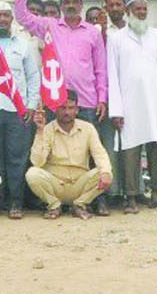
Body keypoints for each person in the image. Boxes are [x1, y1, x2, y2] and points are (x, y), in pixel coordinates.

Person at [13, 0, 111, 210]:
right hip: (54, 100)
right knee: (46, 152)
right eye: (66, 1)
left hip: (86, 101)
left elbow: (101, 68)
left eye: (75, 1)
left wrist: (102, 98)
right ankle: (49, 199)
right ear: (60, 4)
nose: (70, 5)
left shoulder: (93, 32)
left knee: (89, 154)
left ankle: (94, 201)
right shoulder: (49, 26)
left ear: (81, 5)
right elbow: (22, 16)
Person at [107, 0, 157, 212]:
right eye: (137, 9)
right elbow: (113, 74)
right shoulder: (116, 38)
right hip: (129, 103)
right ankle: (131, 197)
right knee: (130, 148)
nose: (141, 12)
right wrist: (116, 110)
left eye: (144, 9)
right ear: (129, 11)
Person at [0, 2, 40, 219]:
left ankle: (16, 203)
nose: (2, 19)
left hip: (17, 111)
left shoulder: (24, 45)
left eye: (6, 15)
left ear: (11, 20)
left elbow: (33, 77)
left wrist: (31, 106)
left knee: (17, 158)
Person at [26, 90, 114, 219]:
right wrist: (40, 131)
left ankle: (80, 205)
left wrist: (105, 172)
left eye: (70, 108)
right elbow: (37, 162)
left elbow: (99, 153)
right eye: (62, 108)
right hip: (56, 185)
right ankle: (53, 205)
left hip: (79, 184)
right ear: (56, 109)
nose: (66, 112)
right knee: (32, 173)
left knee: (106, 172)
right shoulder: (47, 129)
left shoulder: (88, 128)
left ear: (77, 110)